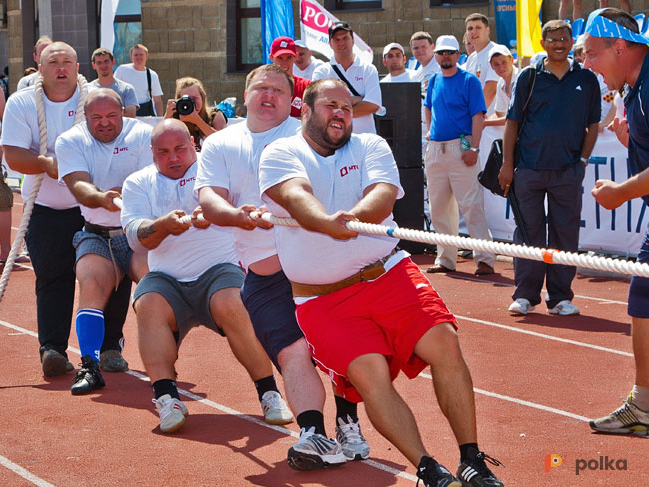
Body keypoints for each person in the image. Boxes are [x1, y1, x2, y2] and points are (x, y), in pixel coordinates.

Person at [258, 77, 504, 487]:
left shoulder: (371, 145)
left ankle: (471, 459)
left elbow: (385, 194)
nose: (340, 112)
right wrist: (325, 222)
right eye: (329, 105)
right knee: (370, 376)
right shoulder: (280, 152)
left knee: (444, 342)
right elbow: (295, 195)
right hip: (324, 300)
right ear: (305, 110)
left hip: (388, 273)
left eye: (346, 107)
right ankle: (428, 468)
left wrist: (349, 222)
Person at [196, 64, 366, 470]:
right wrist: (237, 215)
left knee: (338, 349)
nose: (268, 95)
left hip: (320, 265)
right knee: (293, 353)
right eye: (261, 88)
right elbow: (208, 198)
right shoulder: (221, 144)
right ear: (246, 92)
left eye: (278, 89)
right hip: (267, 274)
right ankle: (312, 433)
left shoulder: (305, 134)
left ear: (293, 100)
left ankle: (347, 423)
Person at [120, 118, 293, 433]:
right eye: (163, 152)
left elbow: (248, 208)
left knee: (233, 302)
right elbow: (136, 237)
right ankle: (166, 397)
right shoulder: (137, 182)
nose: (173, 158)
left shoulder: (214, 170)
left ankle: (268, 391)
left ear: (192, 143)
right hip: (167, 278)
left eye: (180, 149)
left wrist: (217, 214)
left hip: (220, 269)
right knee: (147, 303)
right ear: (151, 152)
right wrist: (162, 226)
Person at [1, 42, 133, 377]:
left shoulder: (96, 98)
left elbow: (118, 138)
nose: (61, 68)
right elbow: (13, 155)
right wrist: (46, 163)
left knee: (112, 275)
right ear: (39, 66)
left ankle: (109, 347)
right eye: (53, 62)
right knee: (52, 275)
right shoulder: (21, 103)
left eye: (68, 62)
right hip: (45, 206)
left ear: (78, 67)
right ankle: (53, 349)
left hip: (94, 206)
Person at [498, 20, 600, 316]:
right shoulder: (529, 77)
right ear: (543, 43)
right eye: (553, 39)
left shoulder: (587, 79)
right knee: (529, 234)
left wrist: (582, 161)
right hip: (528, 170)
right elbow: (512, 123)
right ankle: (526, 296)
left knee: (565, 235)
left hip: (568, 171)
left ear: (572, 42)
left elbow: (592, 124)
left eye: (564, 38)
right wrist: (507, 164)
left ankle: (560, 298)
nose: (559, 43)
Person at [56, 89, 153, 394]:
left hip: (140, 233)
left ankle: (163, 368)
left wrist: (124, 194)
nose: (105, 123)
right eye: (96, 117)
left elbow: (152, 178)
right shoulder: (69, 140)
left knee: (156, 292)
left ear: (123, 113)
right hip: (96, 233)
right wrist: (102, 198)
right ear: (84, 118)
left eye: (112, 116)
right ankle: (90, 366)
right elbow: (78, 185)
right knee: (91, 284)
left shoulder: (143, 134)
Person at [582, 7, 649, 436]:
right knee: (642, 298)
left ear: (619, 47)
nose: (586, 65)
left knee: (642, 296)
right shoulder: (635, 89)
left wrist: (621, 192)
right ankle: (643, 405)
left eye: (590, 54)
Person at [423, 35, 495, 277]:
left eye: (450, 53)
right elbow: (428, 107)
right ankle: (445, 258)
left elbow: (478, 116)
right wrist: (429, 134)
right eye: (442, 53)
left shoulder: (469, 80)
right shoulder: (433, 80)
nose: (446, 56)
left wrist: (474, 149)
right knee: (439, 208)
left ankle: (485, 258)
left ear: (458, 55)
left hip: (460, 148)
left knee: (471, 206)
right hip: (436, 149)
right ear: (436, 56)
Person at [312, 21, 381, 134]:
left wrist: (336, 107)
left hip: (365, 139)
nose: (341, 43)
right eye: (337, 40)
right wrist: (354, 100)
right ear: (330, 43)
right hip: (333, 140)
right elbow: (320, 107)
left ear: (353, 40)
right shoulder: (321, 72)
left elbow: (372, 105)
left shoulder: (368, 69)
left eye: (345, 38)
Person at [163, 77, 227, 149]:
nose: (191, 102)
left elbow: (223, 142)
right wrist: (167, 118)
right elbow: (159, 141)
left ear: (202, 97)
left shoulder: (215, 115)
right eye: (187, 100)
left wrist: (198, 121)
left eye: (194, 98)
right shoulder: (175, 118)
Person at [464, 13, 500, 115]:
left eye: (478, 27)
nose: (473, 32)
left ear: (487, 30)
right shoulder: (471, 58)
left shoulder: (496, 51)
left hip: (491, 124)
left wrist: (475, 116)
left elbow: (491, 90)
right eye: (470, 28)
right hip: (477, 122)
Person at [114, 44, 163, 116]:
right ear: (131, 57)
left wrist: (160, 119)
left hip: (146, 113)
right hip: (127, 111)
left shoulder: (152, 75)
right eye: (136, 55)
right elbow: (113, 90)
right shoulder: (122, 70)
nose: (138, 57)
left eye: (141, 54)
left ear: (147, 56)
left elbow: (157, 100)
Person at [268, 36, 311, 119]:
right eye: (280, 58)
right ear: (271, 58)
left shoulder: (306, 86)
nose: (284, 63)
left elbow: (312, 118)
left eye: (289, 58)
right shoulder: (263, 87)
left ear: (296, 56)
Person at [90, 48, 139, 118]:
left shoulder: (127, 89)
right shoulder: (87, 89)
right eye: (99, 63)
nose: (103, 65)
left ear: (113, 62)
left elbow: (130, 115)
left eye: (106, 61)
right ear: (93, 65)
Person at [484, 45, 518, 127]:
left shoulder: (521, 79)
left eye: (504, 62)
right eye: (496, 64)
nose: (501, 67)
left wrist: (485, 123)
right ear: (491, 66)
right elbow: (499, 113)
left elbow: (516, 117)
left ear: (512, 60)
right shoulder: (501, 83)